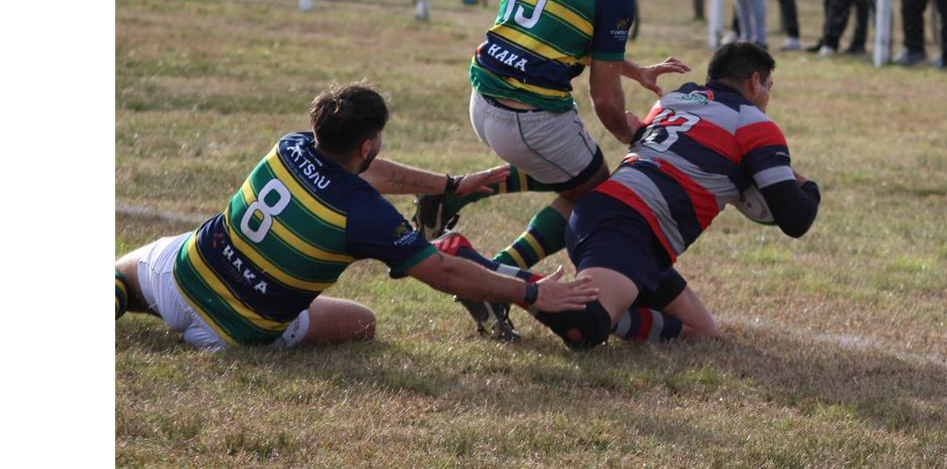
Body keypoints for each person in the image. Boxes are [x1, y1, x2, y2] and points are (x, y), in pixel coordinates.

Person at [113, 82, 599, 350]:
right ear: (366, 145)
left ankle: (119, 293)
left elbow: (365, 173)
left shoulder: (289, 147)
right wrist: (534, 291)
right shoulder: (364, 214)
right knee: (362, 323)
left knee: (130, 272)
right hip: (239, 334)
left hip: (181, 278)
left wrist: (450, 185)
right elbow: (444, 272)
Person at [450, 0, 690, 339]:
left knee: (570, 178)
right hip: (531, 116)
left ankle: (456, 198)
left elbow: (550, 34)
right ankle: (492, 277)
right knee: (599, 199)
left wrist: (631, 69)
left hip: (484, 98)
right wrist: (639, 140)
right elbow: (604, 104)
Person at [529, 42, 821, 349]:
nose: (766, 99)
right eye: (768, 88)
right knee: (585, 327)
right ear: (754, 81)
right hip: (629, 228)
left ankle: (615, 311)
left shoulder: (675, 98)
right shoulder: (753, 124)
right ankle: (507, 283)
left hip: (625, 225)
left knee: (702, 331)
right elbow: (795, 219)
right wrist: (809, 185)